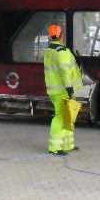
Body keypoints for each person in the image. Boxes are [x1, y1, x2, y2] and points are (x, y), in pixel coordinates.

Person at [42, 23, 83, 155]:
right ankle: (55, 147)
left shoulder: (49, 51)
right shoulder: (62, 52)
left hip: (54, 90)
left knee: (67, 117)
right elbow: (65, 73)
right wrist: (71, 92)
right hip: (63, 91)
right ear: (62, 36)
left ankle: (67, 145)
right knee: (61, 117)